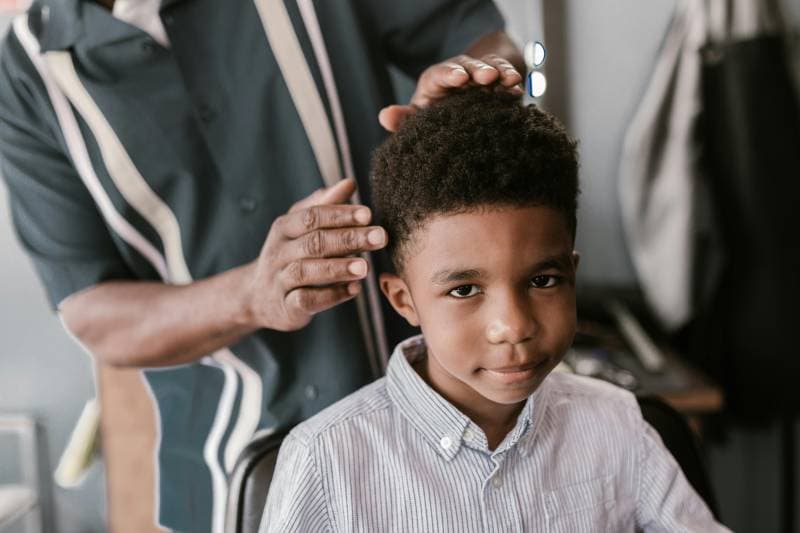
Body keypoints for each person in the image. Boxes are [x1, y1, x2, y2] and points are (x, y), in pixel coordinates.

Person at [0, 0, 524, 531]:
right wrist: (251, 294)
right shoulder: (24, 73)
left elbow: (491, 45)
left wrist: (473, 93)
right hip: (230, 482)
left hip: (451, 435)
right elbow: (93, 314)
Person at [260, 88, 730, 532]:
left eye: (543, 281)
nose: (514, 326)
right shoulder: (325, 459)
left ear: (573, 273)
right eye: (465, 290)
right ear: (405, 300)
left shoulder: (616, 424)